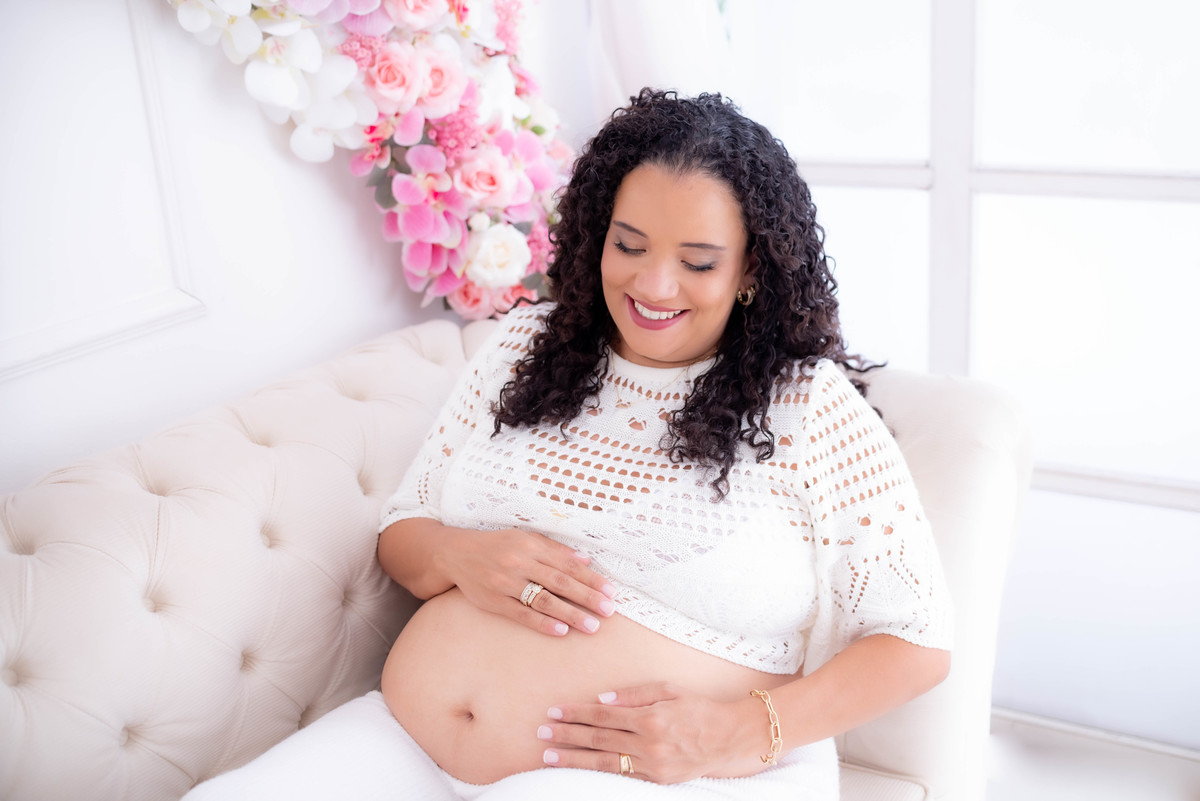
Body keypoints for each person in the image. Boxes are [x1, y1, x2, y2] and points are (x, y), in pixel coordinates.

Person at [184, 88, 952, 801]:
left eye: (698, 261)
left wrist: (750, 727)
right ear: (597, 235)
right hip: (407, 741)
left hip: (671, 774)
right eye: (630, 244)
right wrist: (459, 554)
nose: (654, 285)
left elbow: (916, 641)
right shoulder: (525, 346)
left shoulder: (807, 404)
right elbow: (404, 531)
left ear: (751, 267)